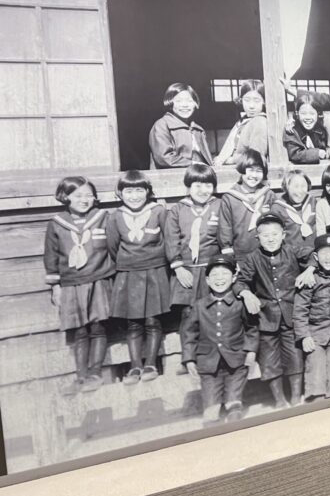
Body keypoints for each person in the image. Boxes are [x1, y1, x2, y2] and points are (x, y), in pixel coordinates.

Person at [234, 213, 316, 409]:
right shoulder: (253, 258)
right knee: (269, 360)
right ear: (258, 238)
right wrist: (246, 293)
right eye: (265, 236)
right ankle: (279, 400)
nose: (270, 239)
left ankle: (296, 397)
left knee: (295, 357)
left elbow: (314, 255)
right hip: (266, 318)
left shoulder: (292, 250)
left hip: (291, 316)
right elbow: (240, 281)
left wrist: (309, 270)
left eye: (275, 234)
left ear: (283, 235)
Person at [44, 176, 114, 394]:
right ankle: (81, 376)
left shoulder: (102, 218)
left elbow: (113, 248)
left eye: (89, 195)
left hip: (99, 280)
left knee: (98, 327)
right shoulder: (57, 223)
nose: (84, 200)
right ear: (65, 197)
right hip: (72, 284)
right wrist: (55, 287)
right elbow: (51, 256)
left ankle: (95, 373)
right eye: (78, 196)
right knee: (80, 330)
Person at [105, 170, 171, 384]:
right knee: (133, 323)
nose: (134, 196)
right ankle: (135, 366)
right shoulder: (115, 217)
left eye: (139, 190)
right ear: (120, 193)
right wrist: (128, 263)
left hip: (154, 271)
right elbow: (112, 247)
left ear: (147, 192)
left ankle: (151, 364)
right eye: (129, 191)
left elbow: (168, 239)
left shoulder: (158, 211)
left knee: (153, 321)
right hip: (129, 274)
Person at [181, 254, 258, 424]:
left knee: (233, 406)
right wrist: (189, 359)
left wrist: (251, 351)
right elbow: (189, 334)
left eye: (224, 274)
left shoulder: (239, 303)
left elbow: (252, 329)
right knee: (211, 412)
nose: (219, 279)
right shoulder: (199, 306)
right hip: (208, 365)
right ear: (207, 280)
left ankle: (234, 417)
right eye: (214, 275)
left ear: (234, 278)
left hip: (236, 362)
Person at [165, 163, 222, 344]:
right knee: (188, 313)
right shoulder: (178, 209)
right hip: (186, 270)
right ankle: (188, 354)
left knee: (212, 310)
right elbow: (171, 239)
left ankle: (209, 351)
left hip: (211, 270)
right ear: (188, 186)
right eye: (197, 185)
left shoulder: (219, 206)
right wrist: (178, 268)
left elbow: (226, 236)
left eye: (208, 185)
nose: (203, 190)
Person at [292, 233, 330, 401]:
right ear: (316, 256)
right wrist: (304, 336)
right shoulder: (310, 279)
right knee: (316, 374)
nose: (328, 257)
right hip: (316, 335)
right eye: (323, 253)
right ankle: (316, 406)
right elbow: (300, 310)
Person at [218, 149, 275, 264]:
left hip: (267, 254)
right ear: (242, 169)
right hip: (241, 256)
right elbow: (225, 229)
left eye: (259, 171)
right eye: (250, 170)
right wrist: (229, 255)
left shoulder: (268, 195)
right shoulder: (230, 198)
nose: (254, 175)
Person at [148, 83, 212, 169]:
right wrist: (193, 164)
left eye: (189, 101)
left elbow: (206, 160)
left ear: (195, 104)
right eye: (179, 101)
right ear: (170, 103)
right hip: (171, 176)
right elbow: (164, 158)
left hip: (199, 174)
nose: (185, 105)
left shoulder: (198, 130)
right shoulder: (161, 125)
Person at [215, 79, 268, 166]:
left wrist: (231, 160)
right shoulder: (242, 121)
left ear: (264, 102)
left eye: (257, 101)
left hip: (247, 168)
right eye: (247, 100)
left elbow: (256, 155)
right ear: (241, 100)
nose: (251, 106)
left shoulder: (260, 122)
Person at [270, 169, 317, 258]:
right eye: (295, 186)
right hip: (291, 257)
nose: (300, 191)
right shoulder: (278, 208)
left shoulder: (312, 201)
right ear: (286, 187)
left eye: (303, 186)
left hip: (314, 254)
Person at [283, 90, 330, 165]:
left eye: (312, 113)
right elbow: (294, 154)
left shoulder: (321, 129)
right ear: (297, 114)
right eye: (303, 113)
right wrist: (317, 153)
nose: (308, 117)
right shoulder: (292, 130)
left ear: (317, 114)